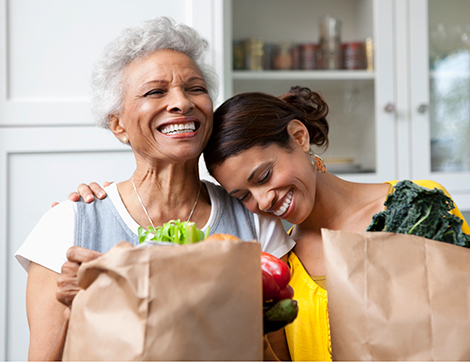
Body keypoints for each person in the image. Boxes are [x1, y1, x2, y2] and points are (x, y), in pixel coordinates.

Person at [70, 86, 470, 361]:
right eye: (243, 196)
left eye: (262, 177)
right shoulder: (277, 257)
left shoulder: (413, 204)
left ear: (298, 137)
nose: (262, 202)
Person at [15, 17, 294, 361]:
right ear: (118, 124)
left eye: (195, 88)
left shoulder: (255, 219)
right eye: (155, 92)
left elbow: (279, 357)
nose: (182, 102)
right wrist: (82, 305)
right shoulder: (67, 225)